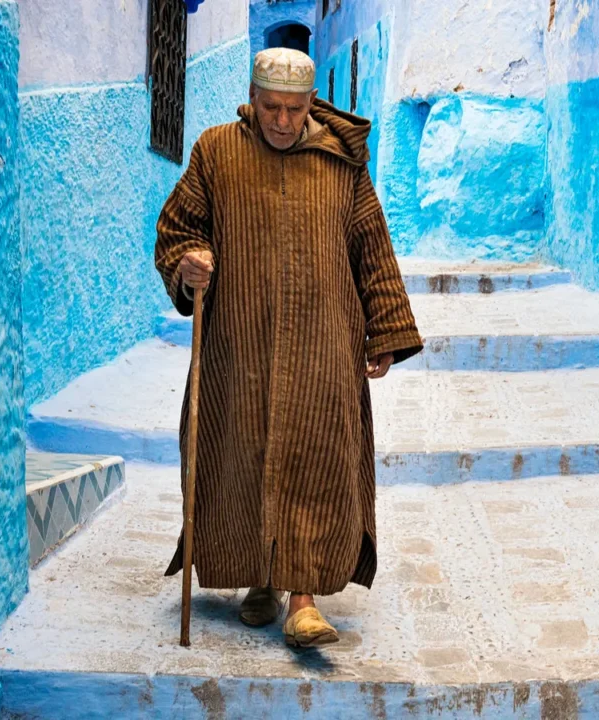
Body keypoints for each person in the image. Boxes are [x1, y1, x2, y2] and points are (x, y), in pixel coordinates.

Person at [154, 47, 423, 648]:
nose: (281, 120)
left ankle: (303, 599)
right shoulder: (216, 152)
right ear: (253, 100)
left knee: (315, 459)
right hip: (238, 343)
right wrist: (188, 264)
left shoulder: (340, 163)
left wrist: (385, 330)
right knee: (241, 456)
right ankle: (260, 578)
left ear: (310, 105)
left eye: (294, 109)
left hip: (324, 344)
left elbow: (371, 248)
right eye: (271, 107)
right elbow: (178, 229)